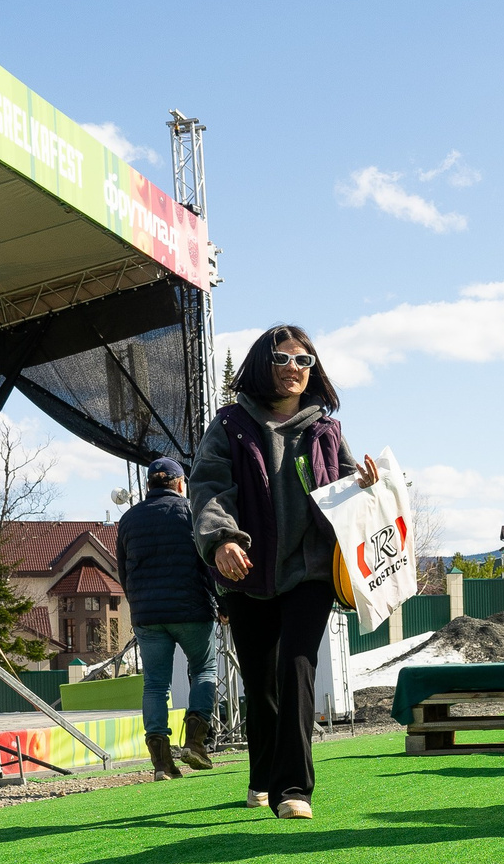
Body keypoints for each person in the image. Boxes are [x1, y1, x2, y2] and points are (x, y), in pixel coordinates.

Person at [189, 325, 379, 820]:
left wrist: (364, 484)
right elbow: (208, 487)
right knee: (260, 680)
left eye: (305, 361)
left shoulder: (326, 428)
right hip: (247, 570)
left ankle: (293, 788)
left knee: (296, 667)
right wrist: (221, 539)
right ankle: (262, 774)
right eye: (284, 358)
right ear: (261, 364)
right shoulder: (230, 425)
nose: (295, 369)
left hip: (310, 569)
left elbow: (343, 488)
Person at [115, 455, 218, 780]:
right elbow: (207, 561)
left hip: (148, 615)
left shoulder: (129, 519)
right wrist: (222, 603)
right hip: (191, 609)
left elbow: (122, 570)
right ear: (179, 484)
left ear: (148, 485)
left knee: (155, 685)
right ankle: (195, 743)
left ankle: (161, 764)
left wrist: (139, 605)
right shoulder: (190, 511)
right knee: (204, 669)